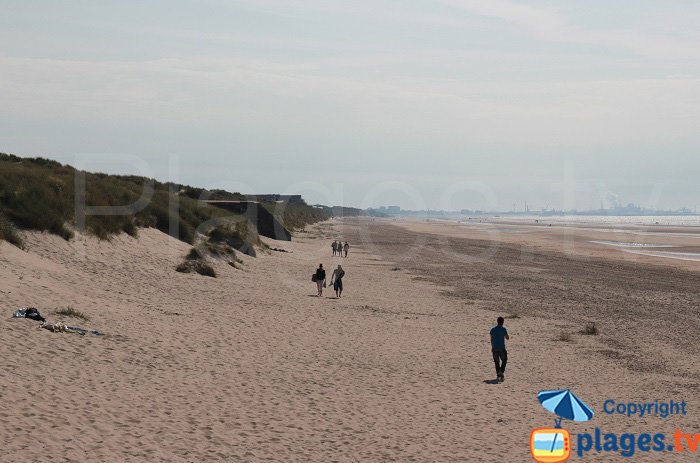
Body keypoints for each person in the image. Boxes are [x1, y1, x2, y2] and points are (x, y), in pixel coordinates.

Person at [490, 316, 510, 382]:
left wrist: (492, 347)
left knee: (497, 362)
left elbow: (491, 339)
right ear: (503, 322)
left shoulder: (493, 329)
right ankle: (501, 372)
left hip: (494, 347)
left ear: (497, 322)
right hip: (501, 347)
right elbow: (507, 337)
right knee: (504, 360)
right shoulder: (503, 329)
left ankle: (499, 376)